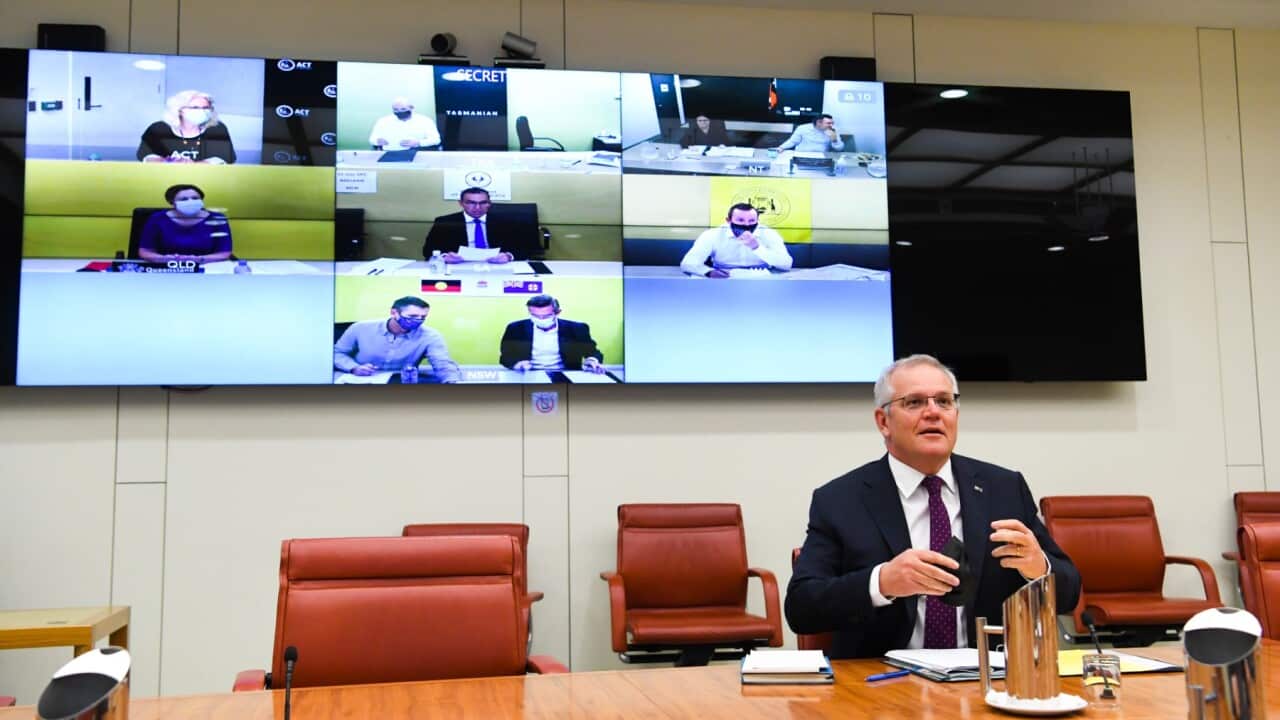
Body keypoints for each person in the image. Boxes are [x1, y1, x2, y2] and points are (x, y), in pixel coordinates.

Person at [784, 354, 1081, 659]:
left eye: (944, 401)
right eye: (914, 402)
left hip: (986, 680)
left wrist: (1039, 568)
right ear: (883, 421)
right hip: (881, 684)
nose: (933, 413)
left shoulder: (1003, 488)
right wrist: (882, 581)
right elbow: (801, 607)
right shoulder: (841, 499)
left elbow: (1070, 595)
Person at [333, 296, 461, 383]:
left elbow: (443, 364)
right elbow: (337, 353)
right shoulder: (360, 327)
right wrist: (354, 367)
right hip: (357, 380)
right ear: (394, 313)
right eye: (412, 316)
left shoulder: (431, 336)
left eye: (423, 317)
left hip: (398, 382)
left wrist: (452, 382)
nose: (418, 320)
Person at [422, 187, 542, 264]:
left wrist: (508, 256)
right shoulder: (445, 222)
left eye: (483, 203)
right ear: (461, 203)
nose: (477, 208)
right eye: (471, 203)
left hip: (497, 266)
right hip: (460, 266)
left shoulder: (507, 222)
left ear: (489, 204)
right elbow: (428, 250)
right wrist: (444, 257)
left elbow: (527, 248)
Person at [680, 203, 793, 277]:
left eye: (752, 220)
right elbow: (688, 263)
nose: (746, 224)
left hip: (760, 278)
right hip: (723, 277)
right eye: (740, 220)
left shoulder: (769, 234)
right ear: (728, 220)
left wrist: (757, 248)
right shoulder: (712, 235)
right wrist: (708, 272)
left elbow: (786, 265)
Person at [499, 295, 605, 373]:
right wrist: (516, 364)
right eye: (535, 316)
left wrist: (592, 361)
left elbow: (593, 352)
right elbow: (505, 357)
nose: (540, 319)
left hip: (565, 373)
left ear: (557, 312)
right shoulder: (515, 328)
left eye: (546, 316)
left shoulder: (577, 328)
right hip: (528, 373)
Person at [137, 184, 233, 263]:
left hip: (206, 269)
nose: (190, 202)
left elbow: (224, 253)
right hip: (166, 269)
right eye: (183, 199)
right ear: (172, 203)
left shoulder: (216, 218)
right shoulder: (157, 219)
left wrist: (197, 260)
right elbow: (145, 252)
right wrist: (167, 259)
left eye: (195, 198)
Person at [137, 90, 236, 164]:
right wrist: (167, 162)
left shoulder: (217, 129)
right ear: (179, 110)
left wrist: (193, 166)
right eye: (195, 108)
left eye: (206, 108)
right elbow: (147, 156)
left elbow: (222, 159)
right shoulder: (158, 129)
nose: (203, 111)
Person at [369, 97, 441, 151]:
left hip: (418, 151)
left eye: (403, 109)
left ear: (412, 108)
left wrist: (418, 142)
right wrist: (377, 141)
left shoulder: (425, 121)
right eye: (396, 109)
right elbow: (372, 139)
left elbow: (436, 140)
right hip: (389, 152)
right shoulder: (383, 121)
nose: (399, 112)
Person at [776, 113, 844, 153]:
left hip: (822, 158)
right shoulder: (803, 128)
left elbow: (840, 149)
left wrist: (835, 140)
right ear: (819, 122)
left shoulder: (832, 130)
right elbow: (793, 142)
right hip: (802, 155)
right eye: (828, 123)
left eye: (832, 123)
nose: (831, 125)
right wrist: (781, 147)